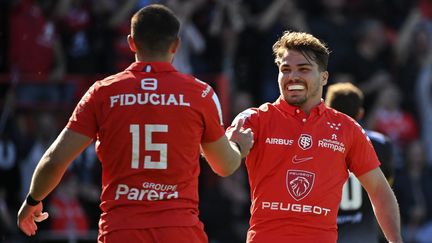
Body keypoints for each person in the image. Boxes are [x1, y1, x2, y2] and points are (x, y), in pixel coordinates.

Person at [17, 4, 254, 243]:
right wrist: (239, 146)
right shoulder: (200, 94)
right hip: (179, 231)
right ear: (176, 45)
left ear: (131, 43)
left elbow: (55, 160)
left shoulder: (102, 93)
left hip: (121, 231)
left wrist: (32, 201)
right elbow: (224, 166)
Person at [227, 31, 402, 243]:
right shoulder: (255, 119)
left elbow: (380, 191)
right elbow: (224, 158)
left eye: (304, 69)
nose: (293, 76)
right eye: (286, 69)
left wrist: (395, 241)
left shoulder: (347, 128)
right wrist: (235, 150)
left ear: (324, 77)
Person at [325, 82, 395, 243]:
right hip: (363, 233)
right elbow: (386, 187)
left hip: (326, 233)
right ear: (361, 113)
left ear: (329, 111)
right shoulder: (381, 144)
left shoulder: (316, 143)